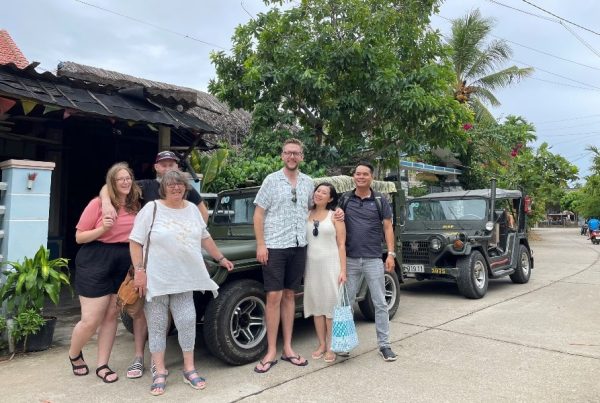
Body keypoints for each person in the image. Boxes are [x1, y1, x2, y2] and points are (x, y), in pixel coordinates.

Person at [100, 150, 209, 379]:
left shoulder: (184, 189)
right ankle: (141, 358)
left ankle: (165, 363)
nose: (168, 167)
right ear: (156, 167)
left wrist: (189, 235)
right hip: (145, 259)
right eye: (164, 164)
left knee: (178, 315)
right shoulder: (146, 187)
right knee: (141, 312)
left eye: (172, 163)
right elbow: (113, 185)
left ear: (177, 167)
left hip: (176, 265)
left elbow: (202, 215)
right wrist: (105, 202)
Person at [129, 170, 233, 396]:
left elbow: (204, 237)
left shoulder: (192, 211)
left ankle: (189, 368)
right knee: (156, 326)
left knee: (187, 321)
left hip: (184, 278)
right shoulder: (152, 208)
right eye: (171, 184)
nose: (175, 188)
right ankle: (160, 371)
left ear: (185, 187)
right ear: (163, 188)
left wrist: (221, 258)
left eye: (180, 184)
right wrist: (139, 271)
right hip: (156, 278)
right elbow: (135, 242)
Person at [68, 162, 142, 383]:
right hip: (95, 257)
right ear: (112, 182)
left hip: (123, 259)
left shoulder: (135, 204)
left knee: (111, 315)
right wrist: (103, 229)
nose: (125, 182)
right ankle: (74, 354)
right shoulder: (97, 204)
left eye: (128, 177)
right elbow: (79, 237)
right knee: (91, 319)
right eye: (120, 179)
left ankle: (102, 364)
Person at [252, 138, 315, 373]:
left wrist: (336, 212)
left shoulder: (308, 182)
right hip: (275, 246)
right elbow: (258, 214)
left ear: (301, 156)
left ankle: (288, 348)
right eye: (288, 153)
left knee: (290, 295)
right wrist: (261, 244)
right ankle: (270, 351)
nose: (292, 157)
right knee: (274, 297)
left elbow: (313, 208)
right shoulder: (271, 180)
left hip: (299, 245)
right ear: (282, 155)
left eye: (296, 153)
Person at [342, 161, 398, 362]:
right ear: (354, 176)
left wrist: (390, 254)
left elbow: (388, 228)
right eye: (358, 174)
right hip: (349, 259)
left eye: (365, 174)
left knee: (380, 303)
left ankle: (384, 345)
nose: (361, 177)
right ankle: (344, 343)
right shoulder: (345, 199)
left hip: (374, 258)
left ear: (371, 177)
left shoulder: (380, 201)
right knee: (346, 304)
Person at [303, 182, 347, 364]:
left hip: (331, 266)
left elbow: (341, 244)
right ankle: (321, 344)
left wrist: (343, 270)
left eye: (324, 192)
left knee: (330, 308)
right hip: (311, 267)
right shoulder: (306, 214)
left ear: (330, 198)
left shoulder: (335, 216)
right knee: (316, 307)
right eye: (317, 191)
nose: (319, 194)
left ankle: (331, 346)